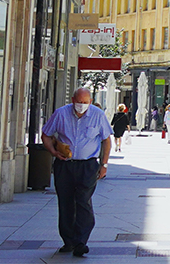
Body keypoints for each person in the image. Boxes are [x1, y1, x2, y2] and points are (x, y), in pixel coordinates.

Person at [42, 87, 113, 258]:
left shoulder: (98, 115)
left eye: (85, 102)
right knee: (65, 202)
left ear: (90, 101)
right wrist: (53, 152)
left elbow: (106, 140)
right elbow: (45, 135)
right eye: (79, 102)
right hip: (64, 165)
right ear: (73, 100)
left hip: (88, 166)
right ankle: (68, 241)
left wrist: (104, 164)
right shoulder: (61, 114)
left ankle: (81, 241)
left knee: (83, 201)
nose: (82, 105)